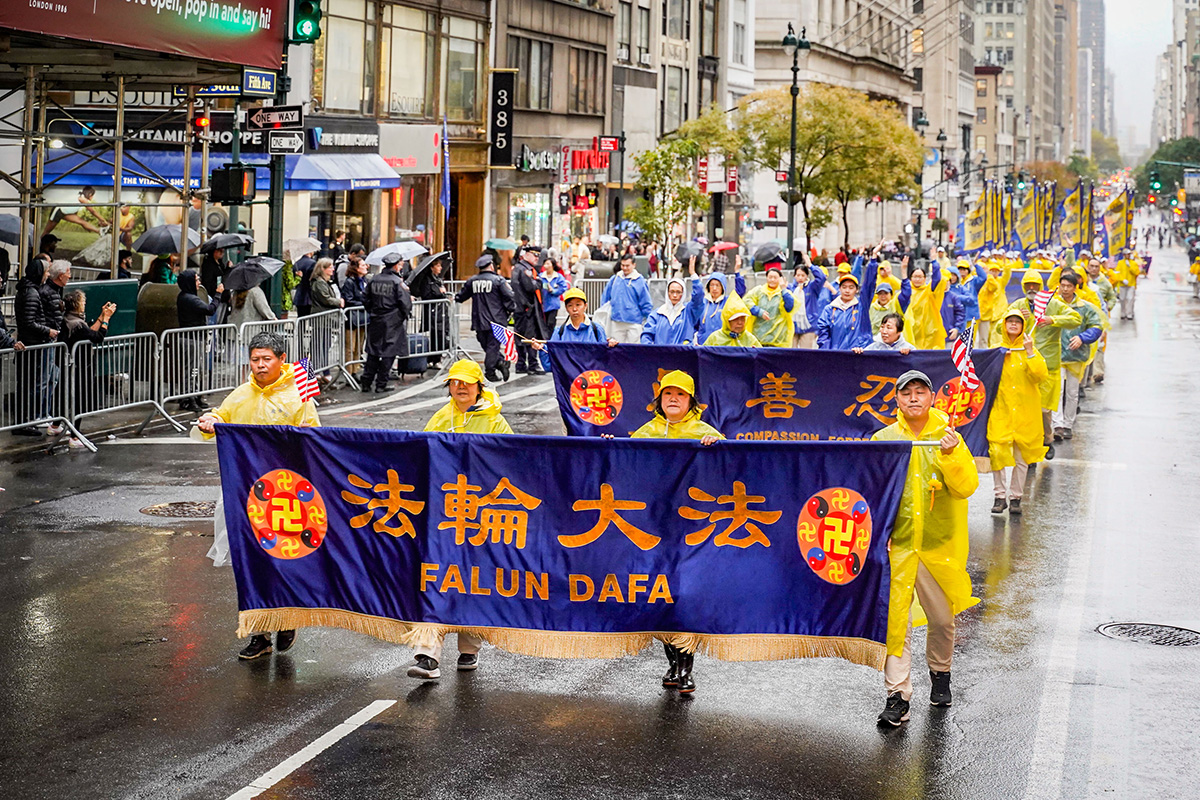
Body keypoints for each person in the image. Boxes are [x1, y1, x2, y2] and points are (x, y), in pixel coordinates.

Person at [195, 331, 320, 660]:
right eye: (255, 359)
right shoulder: (241, 395)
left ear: (281, 359)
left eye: (267, 359)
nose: (261, 365)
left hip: (287, 495)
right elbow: (221, 417)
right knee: (251, 562)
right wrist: (211, 420)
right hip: (246, 493)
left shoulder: (299, 395)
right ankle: (259, 634)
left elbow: (314, 439)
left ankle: (287, 619)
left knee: (284, 560)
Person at [872, 370, 978, 727]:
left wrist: (951, 455)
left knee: (943, 620)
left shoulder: (948, 436)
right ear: (897, 399)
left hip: (937, 546)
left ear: (932, 397)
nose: (914, 398)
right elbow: (872, 492)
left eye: (920, 392)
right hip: (898, 547)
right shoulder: (884, 439)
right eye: (907, 393)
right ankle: (897, 696)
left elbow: (966, 487)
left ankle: (940, 674)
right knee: (895, 623)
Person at [408, 359, 513, 680]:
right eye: (455, 382)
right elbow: (419, 456)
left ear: (480, 386)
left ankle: (469, 648)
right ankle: (427, 654)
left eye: (467, 382)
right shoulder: (441, 418)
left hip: (481, 517)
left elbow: (513, 461)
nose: (461, 387)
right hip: (444, 515)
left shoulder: (495, 421)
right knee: (436, 578)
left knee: (474, 581)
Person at [629, 369, 722, 693]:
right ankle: (673, 663)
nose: (673, 399)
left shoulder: (706, 433)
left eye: (680, 394)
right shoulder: (646, 432)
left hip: (692, 531)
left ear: (691, 402)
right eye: (668, 394)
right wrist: (610, 447)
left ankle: (685, 668)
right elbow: (623, 465)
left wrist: (716, 449)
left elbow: (729, 469)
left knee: (684, 597)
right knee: (662, 597)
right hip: (655, 528)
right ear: (659, 400)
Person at [1003, 271, 1080, 459]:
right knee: (1024, 409)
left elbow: (1075, 319)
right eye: (1028, 285)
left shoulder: (1053, 304)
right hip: (1023, 366)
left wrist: (1052, 320)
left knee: (1044, 410)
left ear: (1040, 286)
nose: (1032, 288)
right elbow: (1000, 327)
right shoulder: (1018, 305)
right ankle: (1027, 450)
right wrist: (1017, 319)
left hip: (1047, 366)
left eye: (1035, 285)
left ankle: (1047, 439)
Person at [988, 309, 1047, 515]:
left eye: (1017, 321)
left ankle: (1015, 497)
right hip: (1000, 410)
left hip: (1024, 413)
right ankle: (999, 496)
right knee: (997, 452)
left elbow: (1040, 375)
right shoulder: (997, 351)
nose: (1013, 324)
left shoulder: (1030, 350)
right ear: (1004, 325)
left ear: (1023, 326)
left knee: (1021, 458)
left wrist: (1030, 352)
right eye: (1010, 321)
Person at [1050, 271, 1103, 441]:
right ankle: (1057, 425)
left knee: (1072, 393)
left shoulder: (1085, 307)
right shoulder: (1052, 304)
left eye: (1069, 286)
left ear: (1075, 287)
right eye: (1063, 286)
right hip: (1055, 355)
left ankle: (1068, 424)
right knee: (1057, 391)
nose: (1065, 289)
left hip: (1076, 356)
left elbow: (1096, 326)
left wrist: (1082, 338)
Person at [61, 289, 116, 442]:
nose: (85, 304)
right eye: (82, 302)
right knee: (79, 400)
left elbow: (89, 332)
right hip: (79, 365)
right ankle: (75, 435)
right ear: (76, 305)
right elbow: (97, 337)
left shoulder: (71, 320)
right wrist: (106, 319)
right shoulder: (76, 324)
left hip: (74, 365)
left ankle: (58, 426)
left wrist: (101, 317)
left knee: (70, 398)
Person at [455, 253, 517, 383]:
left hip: (479, 320)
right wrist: (511, 310)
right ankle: (492, 370)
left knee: (488, 346)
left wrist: (453, 297)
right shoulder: (498, 281)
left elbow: (461, 296)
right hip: (497, 319)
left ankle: (498, 364)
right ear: (491, 266)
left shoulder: (472, 281)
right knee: (492, 347)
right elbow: (509, 296)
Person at [360, 252, 411, 394]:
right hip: (392, 321)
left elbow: (365, 298)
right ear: (395, 266)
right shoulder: (397, 282)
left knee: (373, 352)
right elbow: (405, 303)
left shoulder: (374, 279)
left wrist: (372, 311)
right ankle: (381, 384)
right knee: (389, 352)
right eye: (400, 264)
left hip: (376, 319)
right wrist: (401, 316)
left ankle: (366, 382)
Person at [175, 269, 222, 412]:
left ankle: (194, 396)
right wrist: (218, 294)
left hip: (195, 338)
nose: (199, 282)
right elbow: (210, 309)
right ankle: (188, 398)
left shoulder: (188, 297)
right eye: (196, 280)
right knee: (191, 370)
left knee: (196, 369)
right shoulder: (188, 298)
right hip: (191, 339)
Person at [409, 254, 452, 369]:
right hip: (432, 312)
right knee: (435, 334)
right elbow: (426, 295)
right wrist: (439, 292)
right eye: (438, 266)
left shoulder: (438, 279)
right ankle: (433, 359)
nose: (440, 268)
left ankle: (436, 357)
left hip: (441, 312)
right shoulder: (427, 280)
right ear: (432, 268)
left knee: (441, 334)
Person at [600, 253, 653, 344]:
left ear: (634, 265)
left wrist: (648, 319)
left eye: (627, 266)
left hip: (634, 322)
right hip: (616, 321)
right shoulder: (615, 278)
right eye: (623, 265)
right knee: (617, 348)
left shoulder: (639, 281)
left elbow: (645, 301)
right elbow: (605, 296)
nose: (624, 268)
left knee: (633, 349)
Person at [535, 288, 617, 346]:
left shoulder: (597, 329)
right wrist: (541, 348)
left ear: (585, 306)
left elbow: (604, 356)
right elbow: (551, 358)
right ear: (566, 308)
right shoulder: (559, 332)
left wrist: (611, 345)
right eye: (570, 305)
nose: (574, 309)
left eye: (578, 305)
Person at [815, 270, 874, 350]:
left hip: (858, 353)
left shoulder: (862, 307)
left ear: (857, 290)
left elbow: (869, 286)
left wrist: (862, 348)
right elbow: (823, 333)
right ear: (839, 288)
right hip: (837, 354)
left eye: (851, 287)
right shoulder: (829, 309)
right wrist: (827, 352)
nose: (847, 291)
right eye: (844, 287)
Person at [510, 247, 547, 374]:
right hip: (527, 309)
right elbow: (531, 286)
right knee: (530, 336)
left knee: (521, 336)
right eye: (534, 255)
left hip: (522, 308)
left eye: (538, 256)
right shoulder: (525, 270)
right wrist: (539, 281)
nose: (537, 258)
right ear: (526, 255)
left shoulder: (519, 268)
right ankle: (532, 364)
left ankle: (521, 364)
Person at [743, 261, 796, 347]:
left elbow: (789, 307)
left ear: (780, 279)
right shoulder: (759, 291)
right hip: (759, 337)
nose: (772, 280)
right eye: (770, 277)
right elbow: (746, 301)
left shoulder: (784, 293)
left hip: (778, 339)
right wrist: (758, 312)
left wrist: (783, 289)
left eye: (775, 277)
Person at [641, 274, 701, 345]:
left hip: (683, 352)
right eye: (672, 292)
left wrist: (694, 276)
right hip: (662, 352)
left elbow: (698, 298)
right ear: (667, 293)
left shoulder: (688, 312)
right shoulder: (657, 314)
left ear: (683, 293)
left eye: (678, 292)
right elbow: (646, 335)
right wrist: (650, 348)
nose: (675, 295)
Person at [903, 258, 948, 349]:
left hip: (929, 334)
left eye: (920, 277)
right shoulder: (907, 292)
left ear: (924, 278)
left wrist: (934, 262)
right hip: (911, 332)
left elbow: (937, 279)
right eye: (915, 277)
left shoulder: (929, 292)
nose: (917, 279)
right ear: (911, 278)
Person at [695, 269, 747, 343]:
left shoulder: (727, 301)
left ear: (722, 287)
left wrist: (737, 273)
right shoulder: (702, 303)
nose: (714, 288)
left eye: (717, 285)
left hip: (722, 344)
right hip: (703, 344)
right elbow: (694, 324)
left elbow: (740, 292)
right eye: (712, 285)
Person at [787, 254, 827, 348]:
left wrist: (810, 265)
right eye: (798, 275)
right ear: (794, 276)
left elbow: (822, 277)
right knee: (790, 351)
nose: (800, 278)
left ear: (807, 276)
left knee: (805, 352)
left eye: (803, 275)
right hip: (792, 325)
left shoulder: (812, 287)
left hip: (808, 325)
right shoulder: (790, 288)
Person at [42, 186, 106, 237]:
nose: (92, 197)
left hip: (65, 212)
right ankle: (38, 245)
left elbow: (74, 212)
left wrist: (86, 227)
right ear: (90, 194)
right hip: (58, 210)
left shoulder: (81, 198)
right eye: (93, 195)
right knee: (46, 232)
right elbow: (93, 211)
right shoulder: (82, 199)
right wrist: (103, 220)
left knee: (82, 221)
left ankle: (99, 231)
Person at [200, 247, 231, 323]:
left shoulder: (220, 264)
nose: (222, 253)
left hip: (222, 296)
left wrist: (228, 268)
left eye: (223, 251)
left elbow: (224, 277)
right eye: (219, 251)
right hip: (214, 295)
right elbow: (208, 281)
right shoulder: (209, 264)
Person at [539, 255, 569, 336]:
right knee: (542, 324)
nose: (546, 266)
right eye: (545, 264)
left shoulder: (558, 277)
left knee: (551, 323)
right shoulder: (540, 276)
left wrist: (554, 291)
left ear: (553, 265)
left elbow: (564, 287)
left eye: (548, 264)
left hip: (553, 304)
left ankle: (550, 338)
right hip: (542, 304)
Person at [292, 246, 318, 318]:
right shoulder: (313, 263)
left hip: (299, 295)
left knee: (300, 318)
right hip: (309, 295)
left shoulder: (297, 263)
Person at [1113, 248, 1139, 320]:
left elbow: (1136, 272)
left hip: (1131, 284)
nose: (1127, 256)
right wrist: (1122, 279)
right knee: (1122, 299)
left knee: (1130, 299)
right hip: (1122, 284)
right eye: (1126, 254)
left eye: (1128, 254)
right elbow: (1117, 273)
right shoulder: (1120, 263)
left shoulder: (1133, 263)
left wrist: (1130, 267)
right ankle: (1123, 312)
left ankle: (1129, 313)